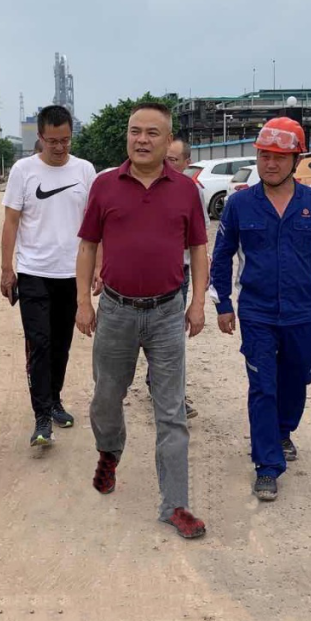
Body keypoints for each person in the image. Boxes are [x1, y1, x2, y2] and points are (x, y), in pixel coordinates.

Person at [76, 102, 209, 540]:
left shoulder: (186, 190)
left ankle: (175, 504)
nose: (142, 139)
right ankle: (109, 451)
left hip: (167, 312)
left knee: (171, 411)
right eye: (135, 131)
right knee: (106, 398)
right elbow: (87, 246)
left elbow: (198, 249)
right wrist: (83, 302)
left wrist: (197, 303)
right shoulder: (104, 185)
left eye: (153, 133)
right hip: (115, 310)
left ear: (168, 140)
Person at [211, 117, 311, 502]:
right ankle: (267, 465)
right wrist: (223, 304)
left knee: (298, 377)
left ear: (296, 160)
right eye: (263, 156)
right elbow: (221, 257)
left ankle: (283, 431)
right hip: (255, 313)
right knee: (262, 386)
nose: (270, 164)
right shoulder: (240, 204)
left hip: (301, 313)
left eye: (279, 157)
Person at [0, 105, 96, 448]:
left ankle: (54, 400)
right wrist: (6, 269)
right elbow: (11, 222)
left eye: (65, 140)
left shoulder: (85, 170)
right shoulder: (23, 170)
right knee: (39, 343)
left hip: (72, 273)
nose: (59, 147)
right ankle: (41, 416)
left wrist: (98, 267)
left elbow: (94, 225)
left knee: (61, 343)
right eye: (52, 141)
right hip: (34, 272)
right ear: (40, 137)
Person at [154, 137, 210, 420]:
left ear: (187, 163)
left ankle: (172, 395)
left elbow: (200, 240)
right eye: (165, 158)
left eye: (173, 160)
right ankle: (156, 382)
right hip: (147, 274)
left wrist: (200, 295)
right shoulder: (146, 186)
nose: (167, 164)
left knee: (173, 337)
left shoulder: (191, 191)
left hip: (179, 273)